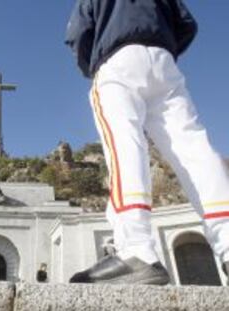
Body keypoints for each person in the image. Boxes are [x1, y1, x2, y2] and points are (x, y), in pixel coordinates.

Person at [65, 0, 229, 285]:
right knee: (193, 145)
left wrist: (93, 65)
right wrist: (161, 48)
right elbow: (187, 24)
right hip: (163, 61)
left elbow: (79, 32)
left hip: (116, 59)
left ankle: (137, 249)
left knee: (125, 145)